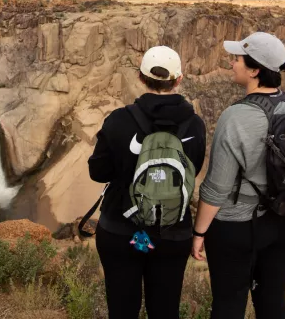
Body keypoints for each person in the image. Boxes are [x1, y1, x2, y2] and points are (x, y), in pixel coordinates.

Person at [88, 45, 206, 319]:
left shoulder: (119, 120)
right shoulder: (195, 126)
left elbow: (98, 172)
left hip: (120, 231)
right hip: (172, 233)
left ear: (141, 78)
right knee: (165, 311)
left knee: (122, 309)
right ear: (178, 79)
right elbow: (193, 171)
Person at [191, 32, 285, 319]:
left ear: (254, 70)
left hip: (238, 227)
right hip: (284, 221)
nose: (231, 63)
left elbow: (217, 187)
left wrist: (199, 232)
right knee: (272, 300)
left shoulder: (236, 116)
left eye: (237, 59)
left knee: (228, 304)